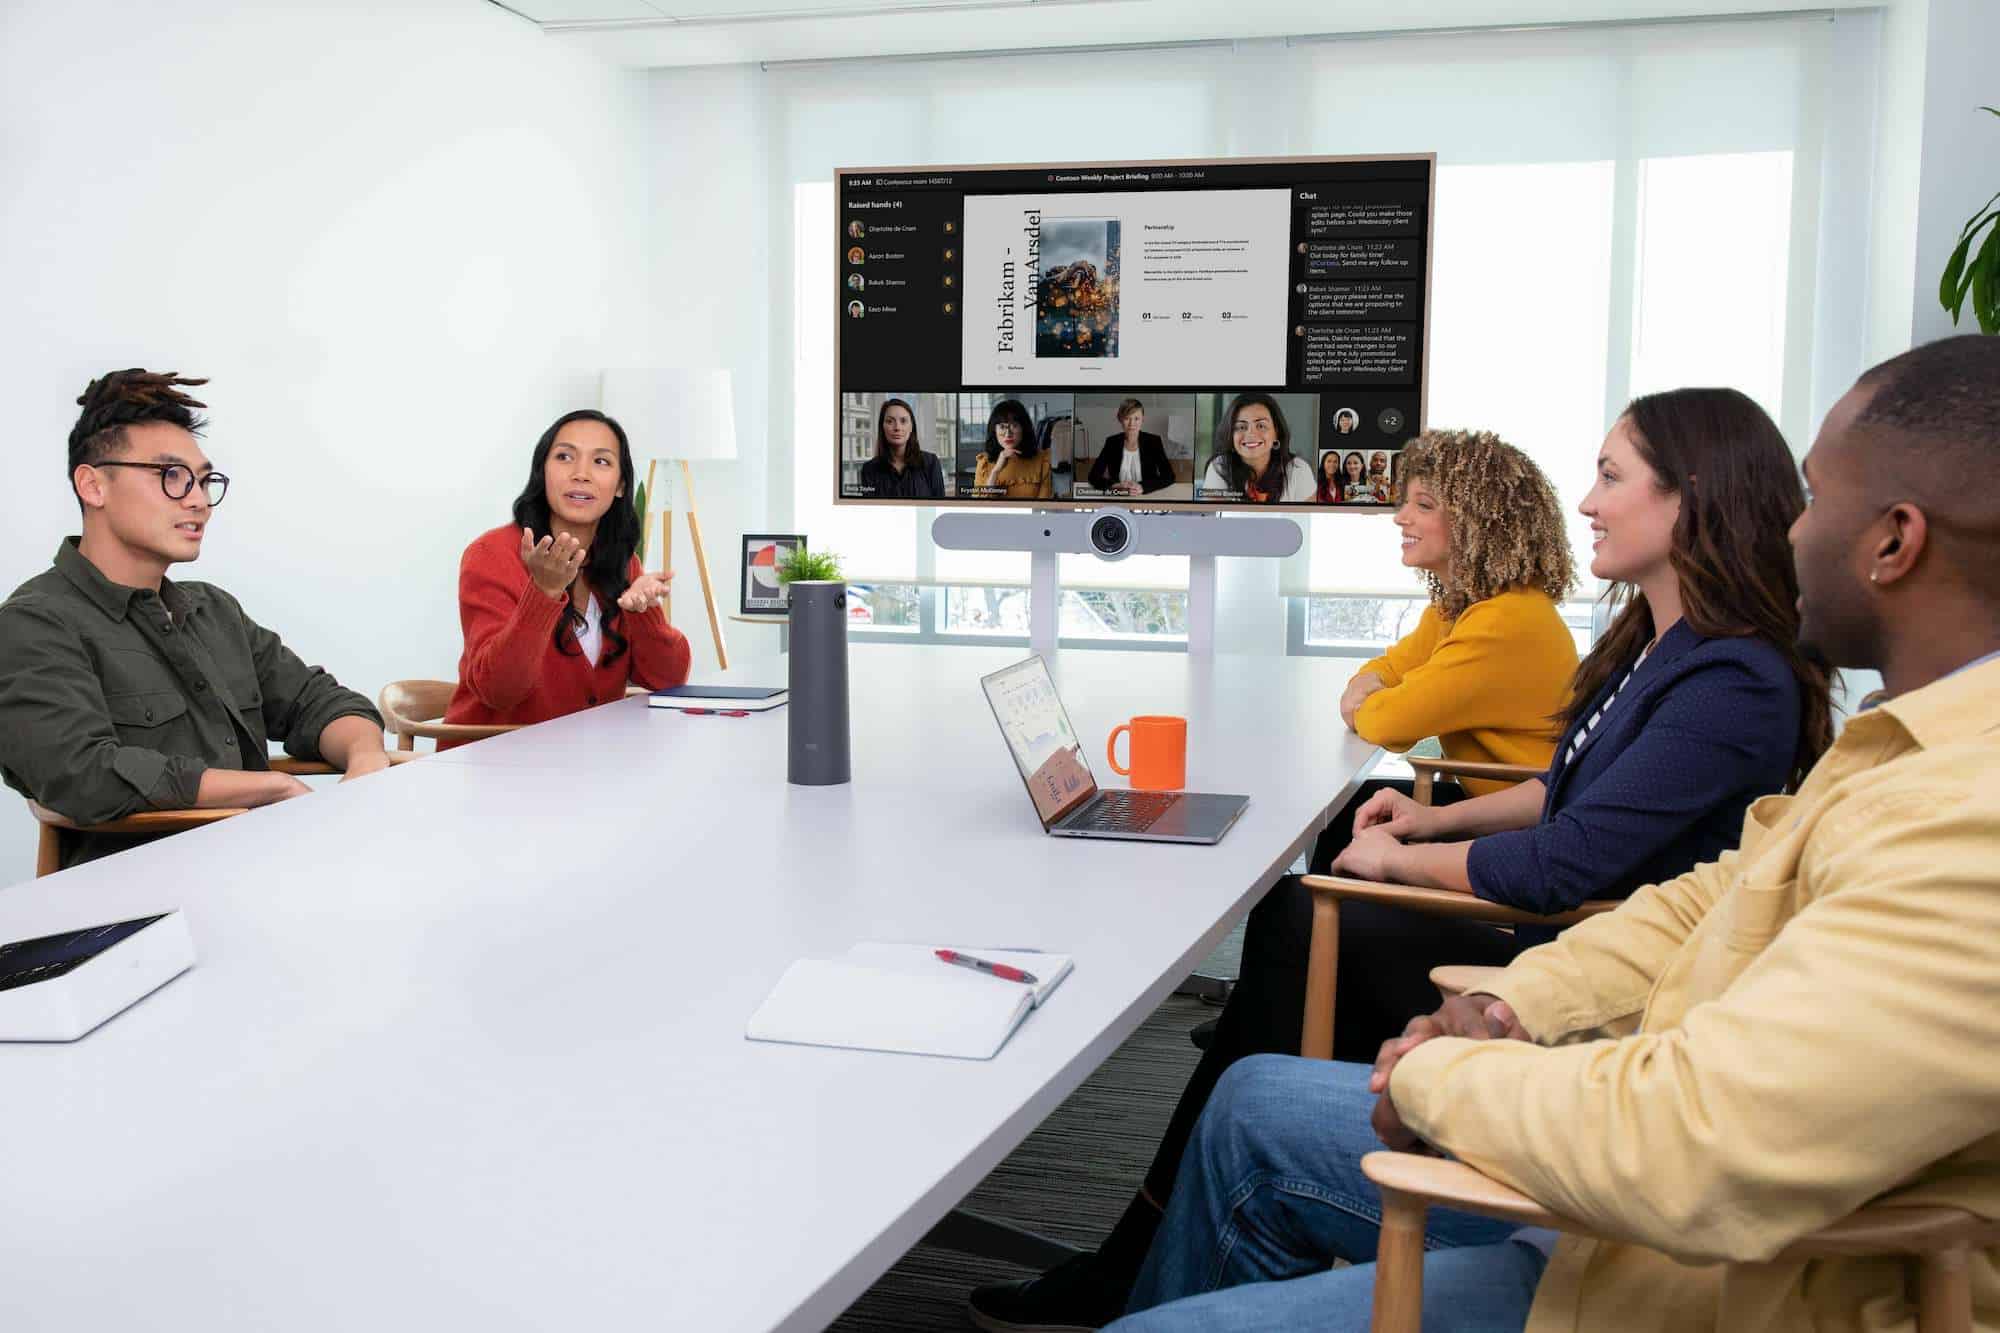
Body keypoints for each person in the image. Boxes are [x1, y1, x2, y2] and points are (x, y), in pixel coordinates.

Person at [1108, 334, 2000, 1333]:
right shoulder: (1890, 746)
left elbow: (1695, 1144)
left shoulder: (1964, 817)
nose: (1788, 531)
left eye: (1814, 495)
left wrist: (1446, 1071)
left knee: (1294, 939)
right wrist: (1505, 1003)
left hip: (1665, 1272)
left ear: (1892, 541)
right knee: (1249, 1100)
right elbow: (1700, 898)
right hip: (1615, 1128)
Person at [967, 388, 1832, 1332]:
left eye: (1611, 477)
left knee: (1298, 922)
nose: (1587, 501)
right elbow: (1563, 786)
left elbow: (1565, 859)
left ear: (1692, 500)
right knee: (1304, 914)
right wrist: (1421, 831)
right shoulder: (1653, 642)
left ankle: (1158, 1237)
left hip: (1571, 953)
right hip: (1560, 925)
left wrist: (1399, 861)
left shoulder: (1731, 680)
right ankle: (1173, 1223)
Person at [0, 370, 390, 869]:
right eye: (171, 476)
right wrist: (268, 788)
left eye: (204, 480)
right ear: (92, 485)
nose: (198, 500)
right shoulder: (36, 622)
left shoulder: (213, 610)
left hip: (264, 874)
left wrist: (366, 760)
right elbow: (80, 773)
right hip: (136, 906)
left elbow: (317, 702)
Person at [441, 410, 691, 743]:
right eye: (564, 457)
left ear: (619, 486)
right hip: (498, 768)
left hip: (589, 766)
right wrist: (542, 593)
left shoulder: (621, 561)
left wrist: (645, 614)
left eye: (601, 462)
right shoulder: (491, 554)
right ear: (542, 473)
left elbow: (668, 679)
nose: (581, 474)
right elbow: (499, 690)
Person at [1200, 393, 1315, 503]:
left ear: (1276, 432)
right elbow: (1214, 519)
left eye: (1261, 425)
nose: (1251, 434)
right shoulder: (1220, 466)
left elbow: (1308, 518)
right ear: (1231, 435)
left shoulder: (1298, 470)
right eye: (1241, 427)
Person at [856, 398, 946, 499]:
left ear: (911, 427)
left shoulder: (931, 463)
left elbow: (939, 506)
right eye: (890, 421)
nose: (897, 427)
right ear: (882, 427)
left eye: (903, 421)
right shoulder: (869, 470)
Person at [1087, 398, 1175, 496]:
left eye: (1136, 418)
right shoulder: (1112, 442)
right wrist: (1114, 486)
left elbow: (1169, 476)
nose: (1131, 424)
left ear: (1142, 419)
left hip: (1146, 497)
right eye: (1127, 418)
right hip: (1118, 496)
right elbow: (1093, 476)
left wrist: (1143, 487)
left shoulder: (1153, 441)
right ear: (1120, 419)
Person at [971, 399, 1054, 499]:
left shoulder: (1042, 459)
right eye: (1002, 427)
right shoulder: (984, 462)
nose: (1008, 434)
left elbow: (1045, 504)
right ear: (994, 431)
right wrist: (996, 471)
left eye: (1014, 426)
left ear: (1024, 428)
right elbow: (979, 505)